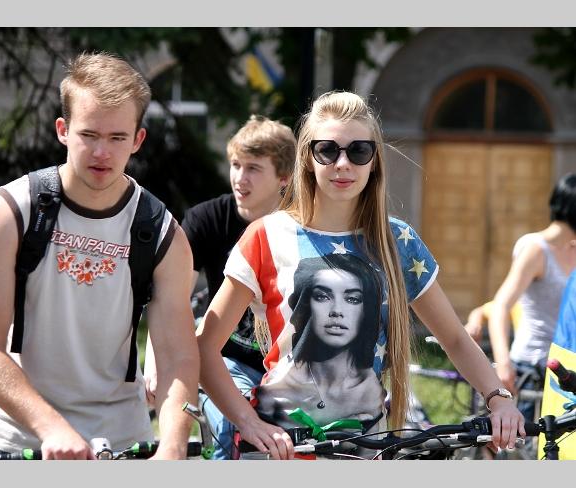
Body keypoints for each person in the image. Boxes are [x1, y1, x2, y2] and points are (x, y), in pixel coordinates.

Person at [196, 90, 524, 460]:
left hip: (369, 447)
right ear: (307, 159)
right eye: (327, 150)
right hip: (279, 450)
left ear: (374, 162)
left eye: (358, 151)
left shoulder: (397, 241)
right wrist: (248, 421)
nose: (343, 164)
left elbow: (455, 338)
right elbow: (204, 347)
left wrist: (499, 399)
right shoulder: (266, 235)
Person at [0, 52, 199, 460]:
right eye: (89, 134)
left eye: (117, 138)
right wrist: (52, 428)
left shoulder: (162, 232)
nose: (102, 152)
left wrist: (173, 446)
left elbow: (178, 356)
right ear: (63, 130)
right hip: (17, 443)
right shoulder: (7, 213)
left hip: (122, 442)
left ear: (138, 139)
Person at [144, 115, 296, 459]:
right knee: (232, 430)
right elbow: (169, 297)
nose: (240, 178)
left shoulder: (301, 227)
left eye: (253, 168)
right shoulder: (207, 219)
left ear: (284, 178)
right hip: (226, 358)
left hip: (285, 365)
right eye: (236, 165)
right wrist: (154, 362)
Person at [254, 254, 383, 430]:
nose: (336, 311)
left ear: (365, 310)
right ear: (305, 304)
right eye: (322, 297)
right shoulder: (274, 395)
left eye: (352, 299)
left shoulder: (371, 392)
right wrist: (247, 421)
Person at [487, 173, 576, 421]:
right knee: (524, 441)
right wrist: (503, 363)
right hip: (531, 368)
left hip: (567, 367)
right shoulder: (536, 249)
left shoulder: (572, 248)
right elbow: (501, 306)